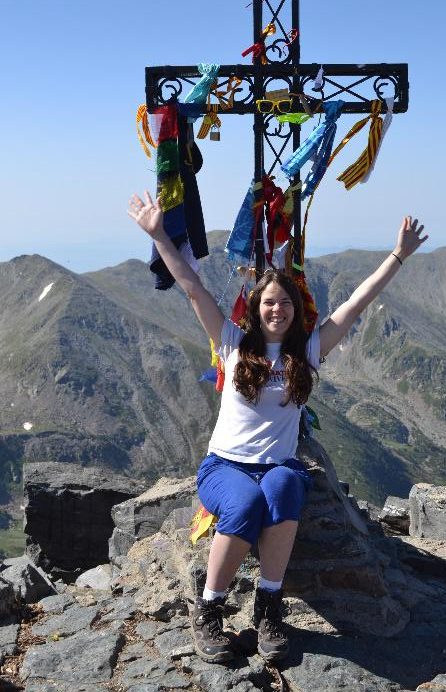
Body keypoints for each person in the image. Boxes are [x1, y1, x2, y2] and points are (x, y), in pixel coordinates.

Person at [128, 190, 428, 663]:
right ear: (256, 307)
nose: (277, 309)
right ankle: (208, 607)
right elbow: (191, 287)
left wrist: (398, 255)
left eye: (285, 303)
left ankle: (269, 606)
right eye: (269, 302)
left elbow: (356, 303)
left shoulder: (306, 351)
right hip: (224, 466)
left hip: (278, 465)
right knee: (245, 504)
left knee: (288, 488)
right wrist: (159, 234)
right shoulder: (230, 342)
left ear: (295, 309)